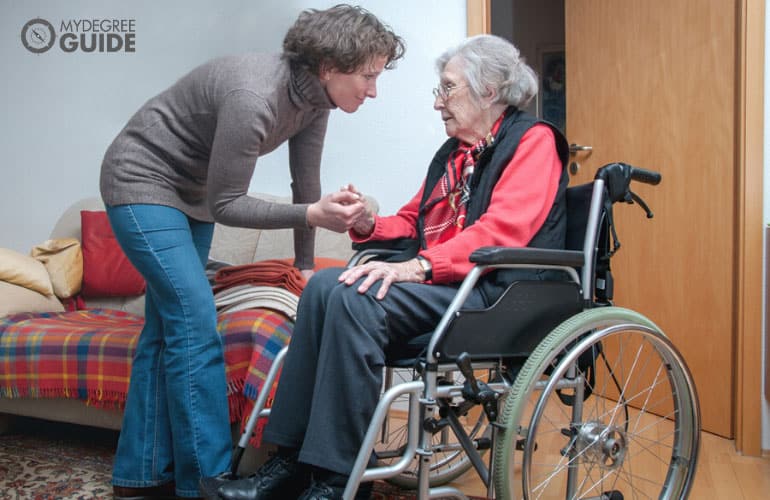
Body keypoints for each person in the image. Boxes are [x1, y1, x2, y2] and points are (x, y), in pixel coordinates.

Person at [200, 34, 569, 500]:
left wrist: (414, 268)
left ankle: (335, 482)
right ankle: (290, 463)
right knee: (323, 287)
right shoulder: (454, 155)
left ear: (489, 92)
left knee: (356, 297)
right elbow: (415, 220)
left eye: (447, 88)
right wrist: (367, 221)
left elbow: (501, 231)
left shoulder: (533, 142)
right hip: (450, 285)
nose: (438, 103)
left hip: (494, 293)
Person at [101, 5, 404, 499]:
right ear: (329, 66)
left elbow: (306, 185)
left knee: (166, 328)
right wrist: (309, 216)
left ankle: (138, 477)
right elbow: (229, 204)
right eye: (368, 76)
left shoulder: (315, 100)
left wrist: (305, 266)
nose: (373, 90)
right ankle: (206, 483)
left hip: (190, 195)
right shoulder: (254, 95)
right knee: (196, 322)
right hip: (140, 181)